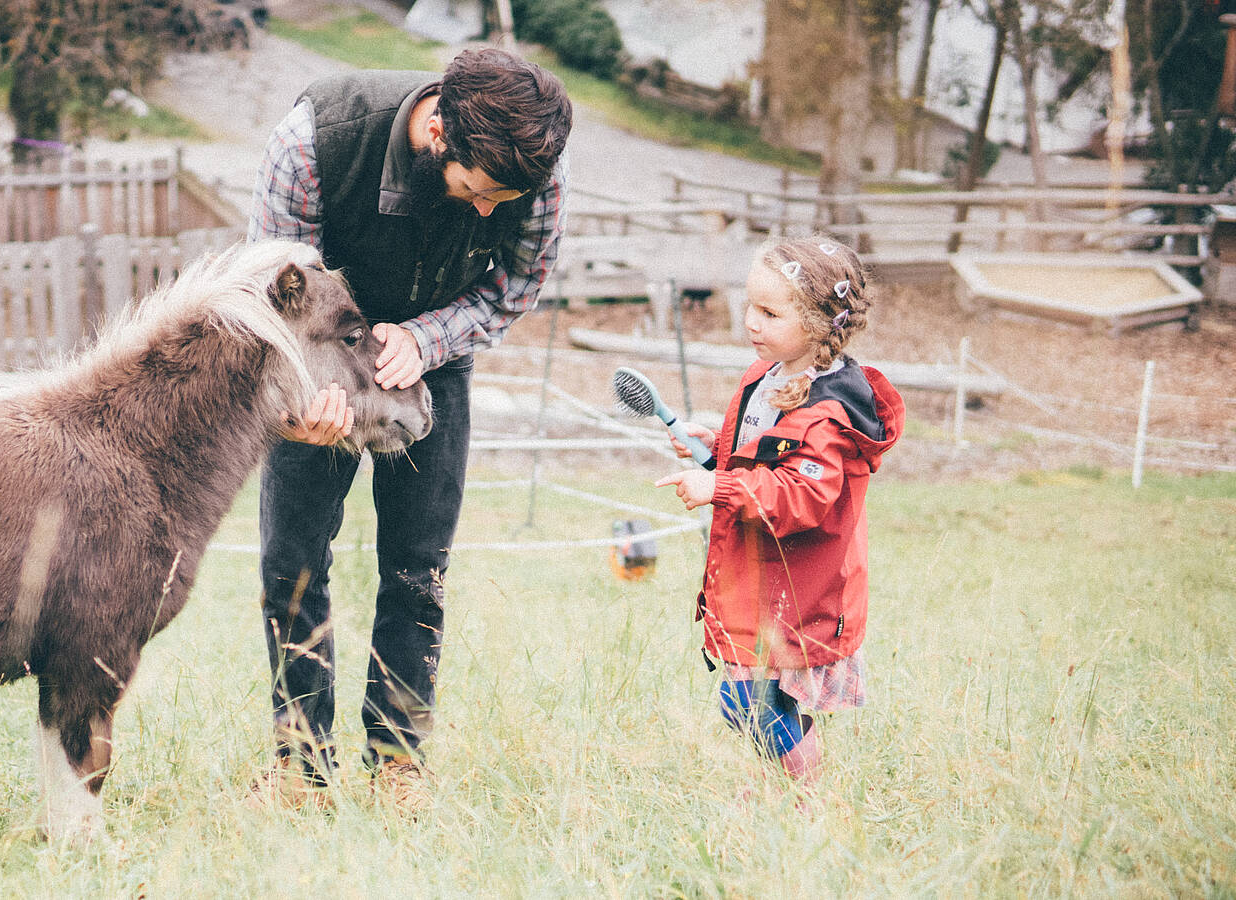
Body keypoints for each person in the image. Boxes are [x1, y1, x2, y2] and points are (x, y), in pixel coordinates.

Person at [247, 47, 573, 801]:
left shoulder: (530, 174)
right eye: (478, 191)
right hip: (316, 358)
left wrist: (426, 340)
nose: (493, 210)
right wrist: (309, 396)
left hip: (436, 361)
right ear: (436, 137)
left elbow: (515, 288)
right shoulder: (314, 143)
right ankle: (301, 764)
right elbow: (273, 285)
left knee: (418, 568)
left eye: (507, 198)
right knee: (291, 563)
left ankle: (397, 760)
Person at [652, 236, 903, 789]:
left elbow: (801, 496)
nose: (751, 322)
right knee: (755, 704)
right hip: (765, 578)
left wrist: (719, 487)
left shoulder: (828, 411)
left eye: (769, 312)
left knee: (752, 704)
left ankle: (807, 798)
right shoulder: (767, 377)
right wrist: (716, 448)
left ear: (818, 323)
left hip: (800, 588)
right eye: (749, 306)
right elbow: (763, 453)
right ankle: (785, 793)